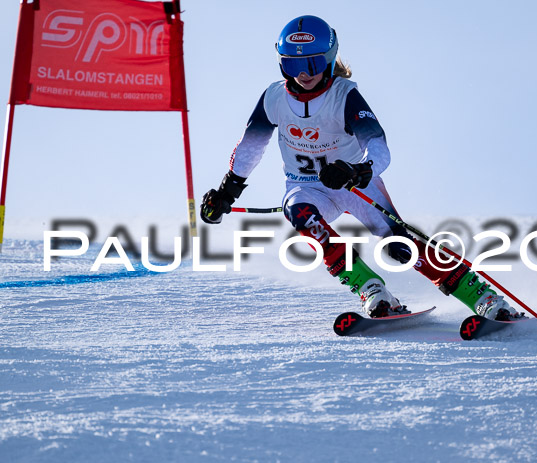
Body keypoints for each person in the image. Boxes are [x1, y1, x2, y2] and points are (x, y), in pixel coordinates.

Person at [201, 15, 519, 320]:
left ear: (328, 59)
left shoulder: (344, 95)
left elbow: (378, 146)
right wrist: (226, 192)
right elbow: (250, 147)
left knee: (399, 245)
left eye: (311, 63)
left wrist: (360, 171)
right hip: (306, 186)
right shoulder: (274, 98)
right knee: (303, 218)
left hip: (354, 183)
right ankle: (372, 290)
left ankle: (483, 298)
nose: (303, 73)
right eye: (292, 64)